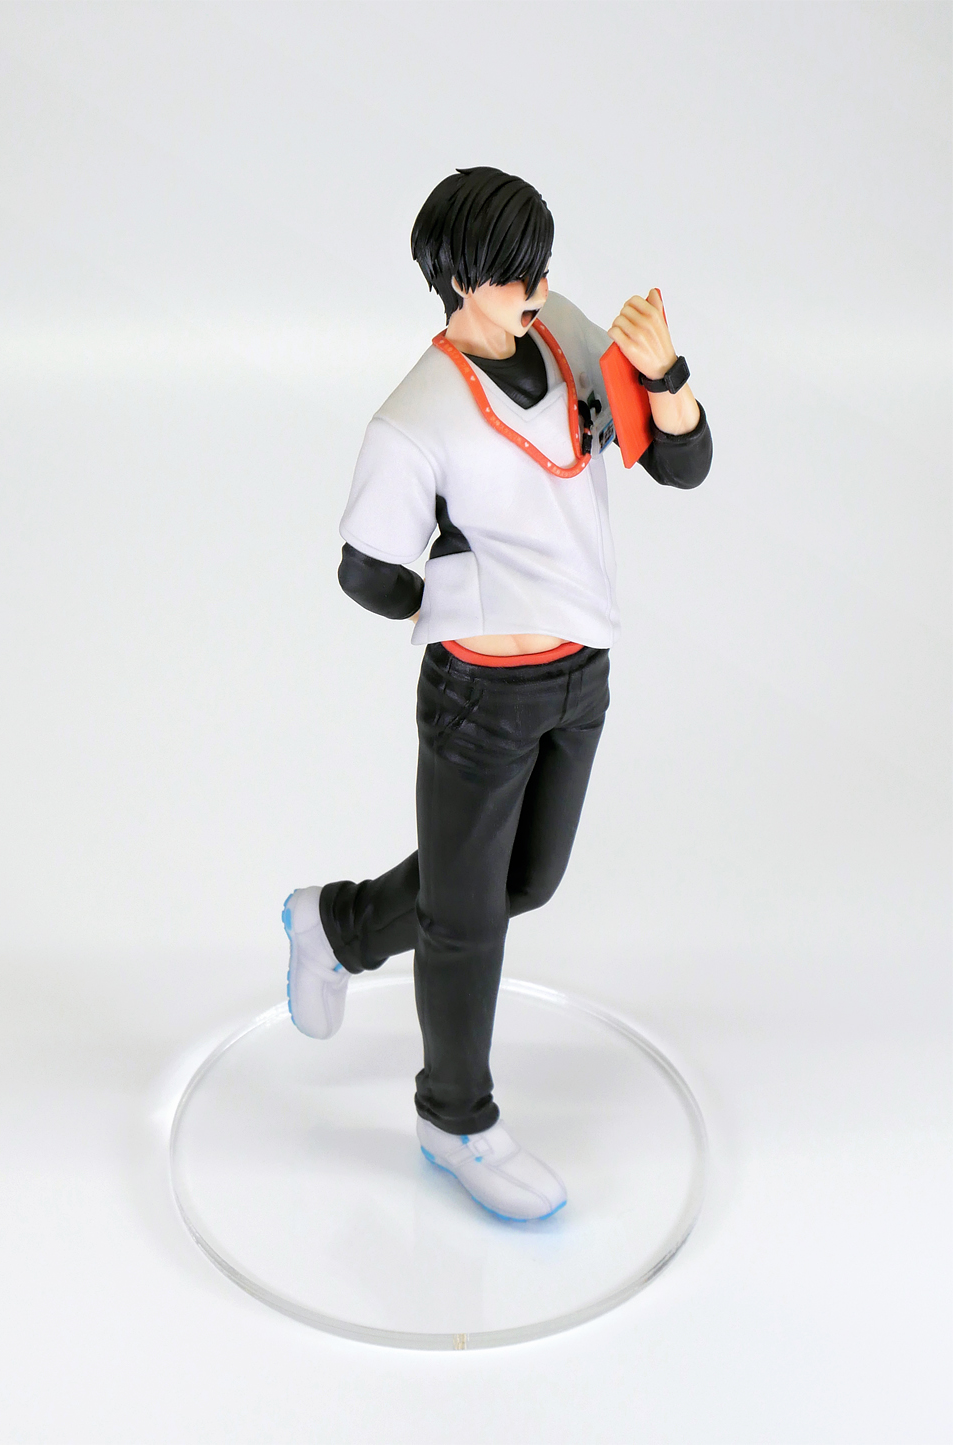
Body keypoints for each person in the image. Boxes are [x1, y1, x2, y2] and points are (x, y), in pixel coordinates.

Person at [283, 167, 711, 1222]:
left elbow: (682, 463)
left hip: (581, 671)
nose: (538, 287)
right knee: (467, 923)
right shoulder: (414, 416)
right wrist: (459, 587)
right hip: (479, 694)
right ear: (461, 281)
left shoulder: (562, 333)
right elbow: (367, 571)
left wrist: (666, 371)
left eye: (541, 267)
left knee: (524, 880)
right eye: (517, 274)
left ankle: (336, 924)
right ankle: (455, 1118)